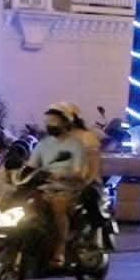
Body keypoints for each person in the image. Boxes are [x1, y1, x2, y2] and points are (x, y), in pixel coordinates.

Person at [32, 104, 90, 267]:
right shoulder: (43, 144)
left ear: (66, 123)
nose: (50, 124)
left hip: (67, 189)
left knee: (58, 206)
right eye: (48, 120)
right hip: (45, 187)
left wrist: (64, 175)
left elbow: (79, 173)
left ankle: (60, 249)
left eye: (54, 120)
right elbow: (31, 165)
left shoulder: (75, 145)